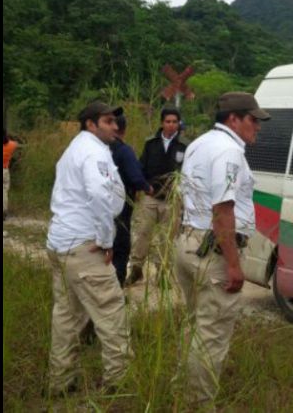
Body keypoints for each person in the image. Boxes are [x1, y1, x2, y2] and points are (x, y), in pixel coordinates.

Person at [174, 91, 270, 405]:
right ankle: (199, 403)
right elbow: (222, 208)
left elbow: (181, 193)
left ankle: (184, 389)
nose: (258, 126)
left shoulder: (199, 143)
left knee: (195, 323)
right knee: (212, 333)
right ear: (234, 119)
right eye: (253, 120)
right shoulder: (229, 151)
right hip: (213, 250)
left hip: (189, 240)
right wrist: (233, 263)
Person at [45, 101, 131, 395]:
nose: (115, 126)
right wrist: (106, 239)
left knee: (67, 315)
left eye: (115, 121)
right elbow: (97, 193)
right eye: (108, 121)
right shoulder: (93, 151)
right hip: (84, 245)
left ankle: (59, 381)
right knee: (110, 311)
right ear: (91, 124)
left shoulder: (75, 149)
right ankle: (118, 383)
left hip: (62, 242)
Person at [125, 107, 190, 286]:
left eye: (174, 122)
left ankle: (163, 273)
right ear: (162, 123)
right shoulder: (151, 143)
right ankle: (136, 270)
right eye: (168, 121)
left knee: (167, 240)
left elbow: (188, 172)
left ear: (179, 124)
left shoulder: (185, 145)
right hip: (150, 197)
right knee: (141, 234)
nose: (171, 125)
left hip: (172, 200)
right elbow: (141, 167)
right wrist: (143, 187)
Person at [110, 113, 154, 286]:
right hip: (122, 206)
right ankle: (118, 286)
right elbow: (136, 176)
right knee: (121, 246)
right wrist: (148, 188)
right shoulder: (124, 150)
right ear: (124, 130)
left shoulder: (100, 148)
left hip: (101, 207)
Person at [3, 129, 19, 221]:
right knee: (4, 191)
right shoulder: (11, 145)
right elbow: (16, 143)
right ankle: (4, 211)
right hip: (5, 170)